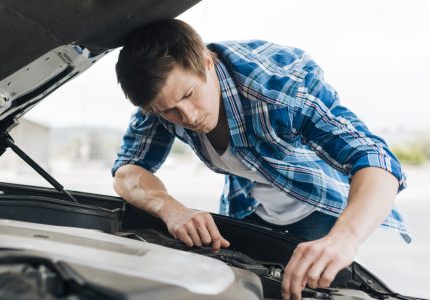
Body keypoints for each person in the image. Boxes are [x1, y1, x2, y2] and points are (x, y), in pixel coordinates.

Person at [111, 19, 410, 299]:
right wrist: (172, 210)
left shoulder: (281, 87)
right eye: (169, 111)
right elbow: (127, 170)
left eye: (189, 95)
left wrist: (345, 238)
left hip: (316, 205)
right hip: (246, 201)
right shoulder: (162, 99)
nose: (186, 117)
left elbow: (376, 159)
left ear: (206, 62)